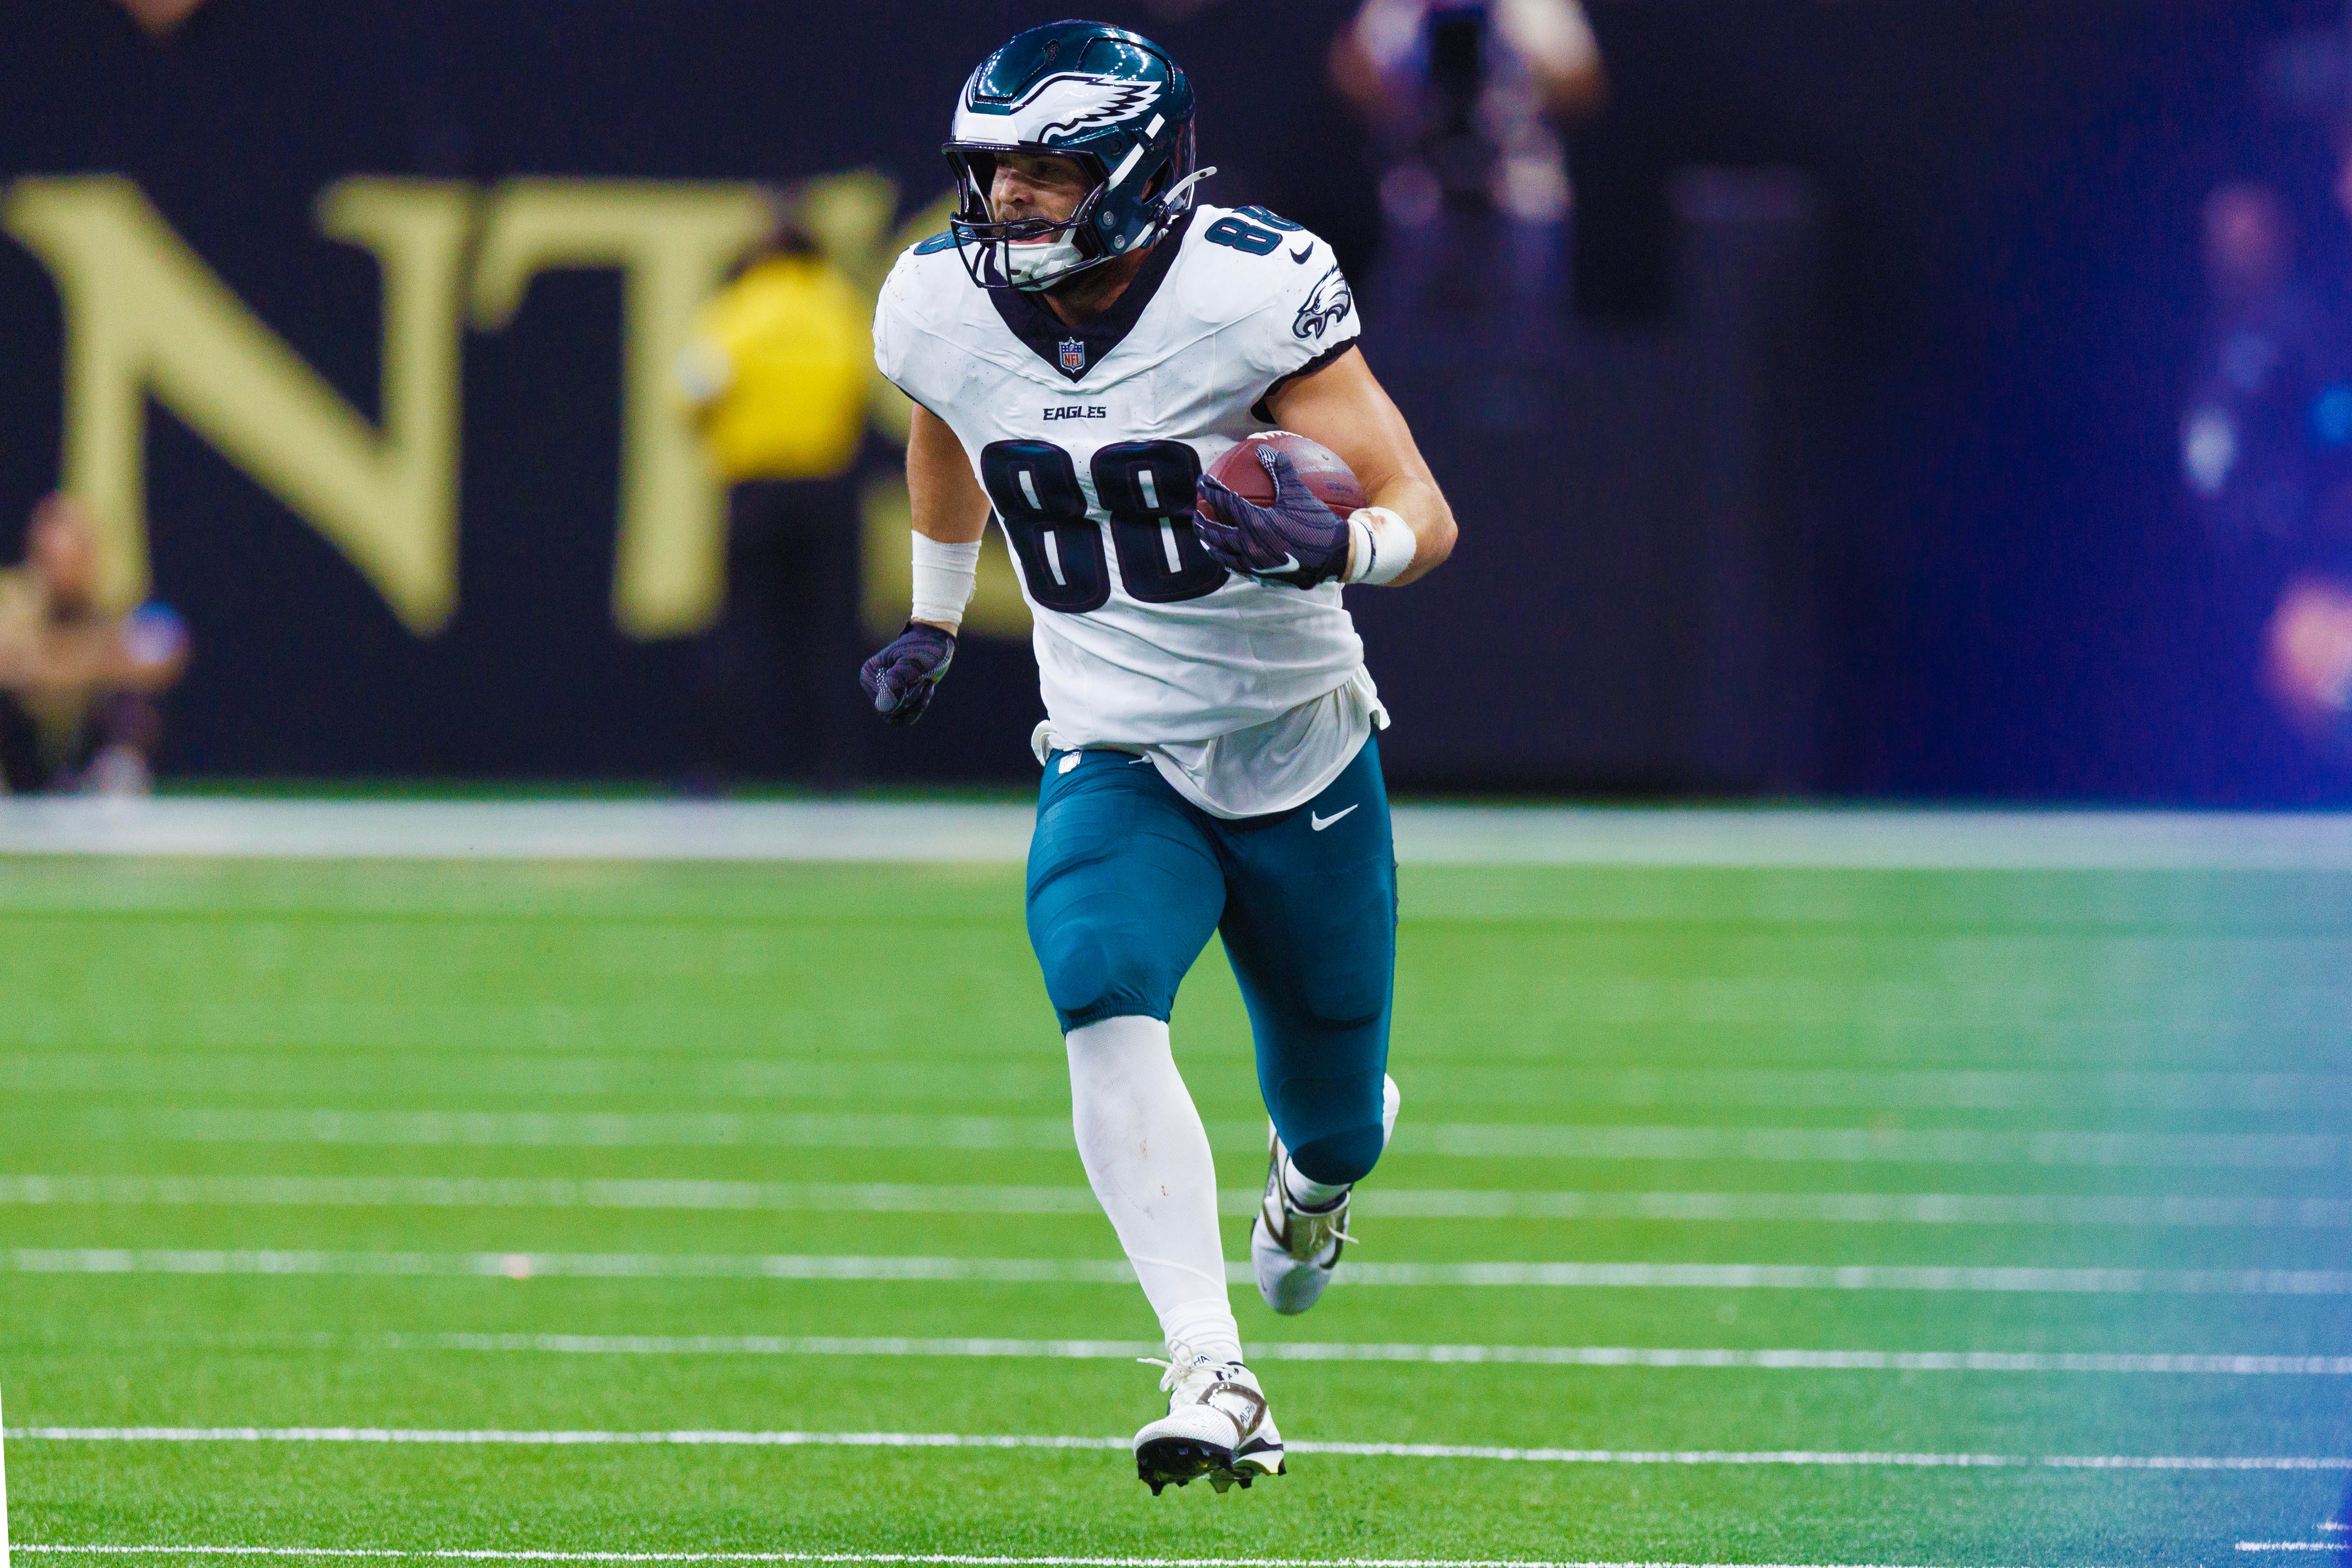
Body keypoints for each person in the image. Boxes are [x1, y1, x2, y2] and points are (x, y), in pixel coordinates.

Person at [858, 20, 1458, 1495]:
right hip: (1113, 744)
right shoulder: (937, 303)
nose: (1006, 200)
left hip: (1298, 746)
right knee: (1095, 977)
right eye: (991, 172)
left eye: (1043, 173)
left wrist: (1342, 545)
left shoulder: (1247, 291)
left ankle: (1312, 1185)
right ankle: (1209, 1369)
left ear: (1131, 173)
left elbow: (1418, 504)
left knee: (1334, 1118)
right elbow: (950, 428)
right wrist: (934, 616)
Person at [677, 193, 871, 787]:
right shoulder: (839, 304)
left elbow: (693, 392)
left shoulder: (738, 307)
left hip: (755, 489)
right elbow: (862, 385)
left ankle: (716, 767)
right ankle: (833, 769)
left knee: (738, 628)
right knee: (827, 631)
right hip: (826, 488)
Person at [0, 493, 189, 794]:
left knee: (131, 708)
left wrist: (53, 662)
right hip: (23, 749)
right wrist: (95, 658)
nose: (62, 574)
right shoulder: (13, 600)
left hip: (86, 748)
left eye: (71, 561)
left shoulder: (111, 601)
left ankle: (115, 790)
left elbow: (167, 656)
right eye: (52, 561)